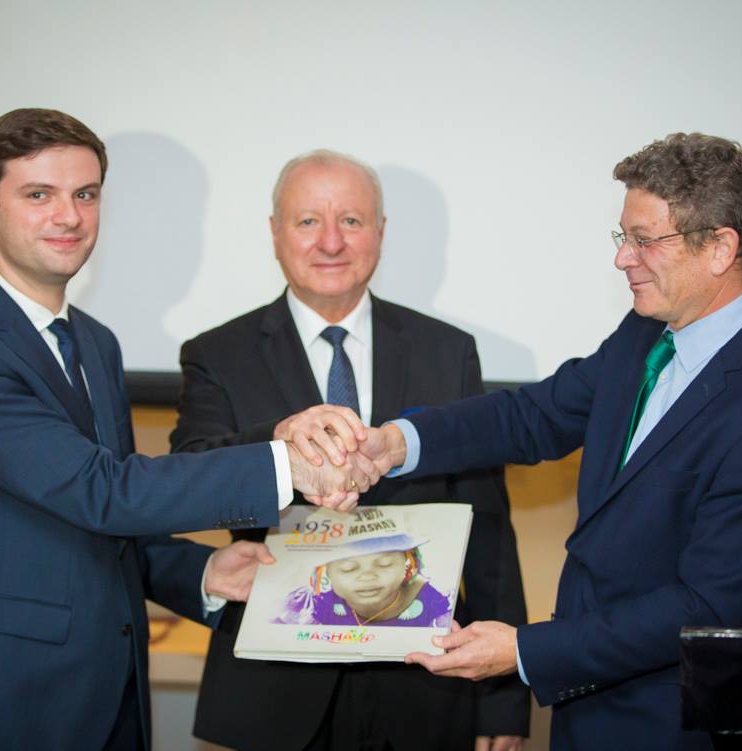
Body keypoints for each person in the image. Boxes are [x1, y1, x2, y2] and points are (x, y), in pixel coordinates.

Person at [0, 109, 375, 751]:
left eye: (85, 194)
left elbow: (104, 527)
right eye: (38, 195)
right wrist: (288, 463)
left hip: (111, 689)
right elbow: (101, 490)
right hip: (4, 696)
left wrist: (204, 572)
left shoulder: (95, 343)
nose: (68, 216)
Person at [358, 133, 742, 750]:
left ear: (720, 248)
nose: (622, 259)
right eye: (622, 236)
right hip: (585, 708)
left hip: (671, 726)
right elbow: (535, 416)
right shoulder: (647, 331)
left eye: (644, 240)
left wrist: (526, 650)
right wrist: (397, 443)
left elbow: (705, 606)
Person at [173, 149, 529, 750]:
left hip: (423, 681)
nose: (331, 242)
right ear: (275, 232)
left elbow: (487, 524)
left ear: (380, 232)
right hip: (273, 691)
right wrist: (282, 444)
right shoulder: (217, 353)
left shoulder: (446, 351)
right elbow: (191, 476)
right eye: (308, 221)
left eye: (352, 221)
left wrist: (502, 698)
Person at [276, 520, 451, 628]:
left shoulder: (434, 606)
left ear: (408, 563)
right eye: (348, 568)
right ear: (326, 571)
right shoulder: (315, 606)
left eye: (384, 564)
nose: (367, 576)